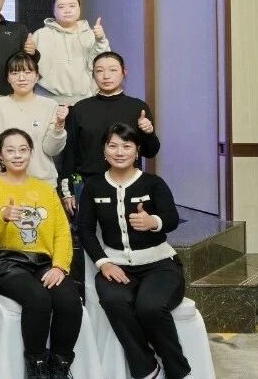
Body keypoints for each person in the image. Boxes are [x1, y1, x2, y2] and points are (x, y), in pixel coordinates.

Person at [78, 123, 188, 379]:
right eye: (113, 146)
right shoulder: (94, 187)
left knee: (150, 307)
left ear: (137, 150)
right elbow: (85, 229)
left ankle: (178, 371)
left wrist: (153, 222)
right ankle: (146, 368)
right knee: (114, 301)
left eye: (126, 146)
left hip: (159, 265)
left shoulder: (153, 183)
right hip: (116, 266)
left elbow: (171, 218)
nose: (119, 152)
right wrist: (103, 262)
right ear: (104, 150)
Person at [0, 129, 81, 379]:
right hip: (5, 263)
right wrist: (2, 218)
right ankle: (37, 367)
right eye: (10, 150)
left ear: (31, 153)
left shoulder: (45, 190)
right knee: (38, 298)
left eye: (23, 149)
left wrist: (59, 266)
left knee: (68, 299)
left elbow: (61, 233)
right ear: (0, 155)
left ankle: (60, 366)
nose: (17, 155)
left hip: (43, 262)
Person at [61, 51, 159, 213]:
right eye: (99, 71)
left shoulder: (138, 107)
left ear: (124, 72)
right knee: (88, 228)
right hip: (88, 185)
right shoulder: (81, 108)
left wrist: (148, 133)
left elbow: (151, 152)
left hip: (128, 184)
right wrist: (67, 191)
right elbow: (70, 152)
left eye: (113, 70)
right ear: (93, 75)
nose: (106, 76)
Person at [0, 53, 67, 187]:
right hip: (4, 183)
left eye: (28, 72)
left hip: (42, 183)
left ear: (37, 76)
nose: (21, 78)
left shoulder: (49, 105)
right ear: (8, 78)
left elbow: (51, 150)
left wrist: (59, 125)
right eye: (15, 73)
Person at [34, 0, 110, 105]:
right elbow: (29, 67)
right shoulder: (40, 35)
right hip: (47, 102)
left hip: (85, 102)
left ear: (79, 8)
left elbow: (103, 64)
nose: (67, 10)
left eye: (72, 6)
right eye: (61, 7)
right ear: (53, 10)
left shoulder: (91, 34)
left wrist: (101, 40)